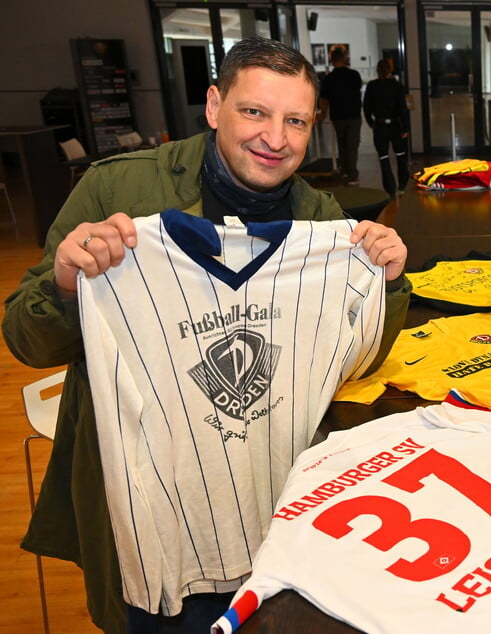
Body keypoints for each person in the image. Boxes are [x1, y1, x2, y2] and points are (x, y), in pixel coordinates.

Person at [2, 36, 411, 634]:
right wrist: (68, 284)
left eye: (295, 121)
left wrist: (387, 281)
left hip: (272, 501)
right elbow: (26, 340)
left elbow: (358, 358)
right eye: (255, 112)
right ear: (215, 106)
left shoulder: (322, 220)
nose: (276, 138)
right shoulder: (118, 195)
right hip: (153, 513)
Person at [363, 59, 410, 199]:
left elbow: (366, 107)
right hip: (395, 125)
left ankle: (390, 190)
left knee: (383, 158)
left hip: (380, 125)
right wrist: (405, 128)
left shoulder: (372, 86)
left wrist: (371, 122)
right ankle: (403, 186)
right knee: (401, 156)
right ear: (390, 70)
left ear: (377, 70)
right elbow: (403, 108)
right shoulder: (396, 86)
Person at [318, 46, 364, 184]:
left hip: (338, 116)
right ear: (344, 59)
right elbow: (358, 90)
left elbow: (324, 99)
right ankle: (352, 173)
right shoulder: (354, 75)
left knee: (342, 144)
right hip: (353, 115)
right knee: (352, 145)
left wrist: (323, 114)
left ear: (331, 61)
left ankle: (344, 170)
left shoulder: (329, 78)